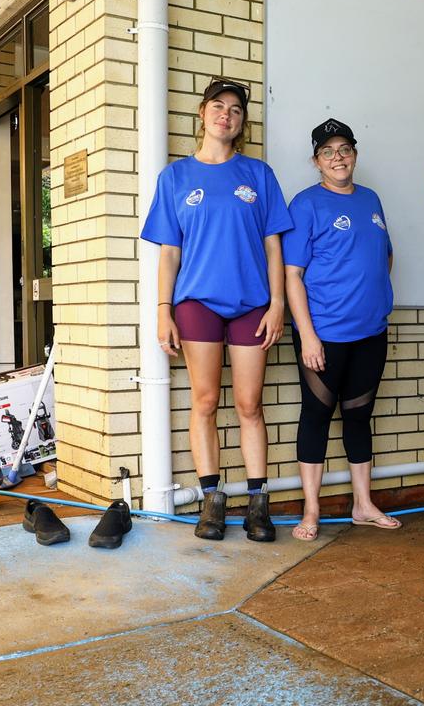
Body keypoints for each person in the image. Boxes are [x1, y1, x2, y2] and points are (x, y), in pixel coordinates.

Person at [141, 78, 292, 542]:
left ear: (242, 122)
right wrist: (162, 310)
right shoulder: (176, 178)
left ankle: (257, 503)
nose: (226, 114)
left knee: (250, 404)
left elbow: (274, 247)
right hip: (196, 303)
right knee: (205, 401)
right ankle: (212, 501)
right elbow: (168, 254)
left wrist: (278, 303)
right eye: (218, 106)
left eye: (236, 110)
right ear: (203, 115)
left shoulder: (259, 174)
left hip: (252, 304)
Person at [283, 118, 400, 542]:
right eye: (329, 151)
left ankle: (363, 505)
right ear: (316, 161)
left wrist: (377, 298)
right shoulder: (306, 204)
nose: (338, 157)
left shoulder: (371, 199)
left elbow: (384, 255)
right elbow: (292, 274)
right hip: (324, 334)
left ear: (354, 153)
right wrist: (307, 335)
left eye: (345, 149)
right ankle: (311, 511)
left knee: (359, 417)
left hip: (370, 332)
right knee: (315, 416)